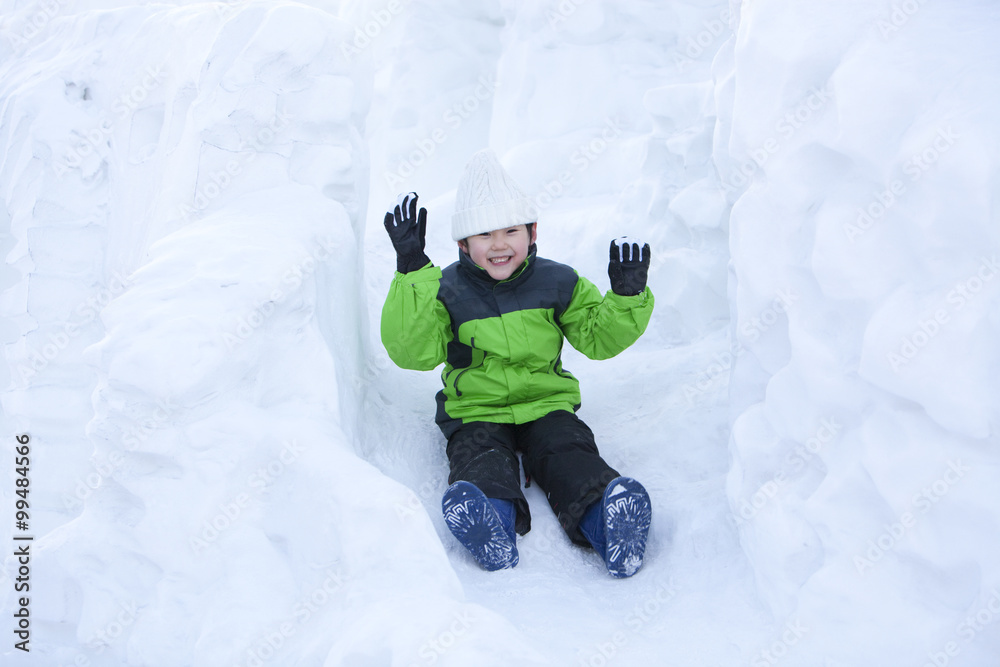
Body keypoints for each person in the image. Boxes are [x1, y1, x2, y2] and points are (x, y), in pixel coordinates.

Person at [380, 148, 654, 578]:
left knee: (568, 452)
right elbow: (412, 352)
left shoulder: (557, 281)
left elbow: (598, 339)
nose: (499, 244)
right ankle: (490, 524)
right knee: (481, 459)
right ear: (464, 245)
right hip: (476, 410)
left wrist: (625, 298)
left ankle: (608, 521)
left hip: (547, 404)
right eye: (484, 234)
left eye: (511, 230)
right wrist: (413, 273)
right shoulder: (444, 289)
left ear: (532, 232)